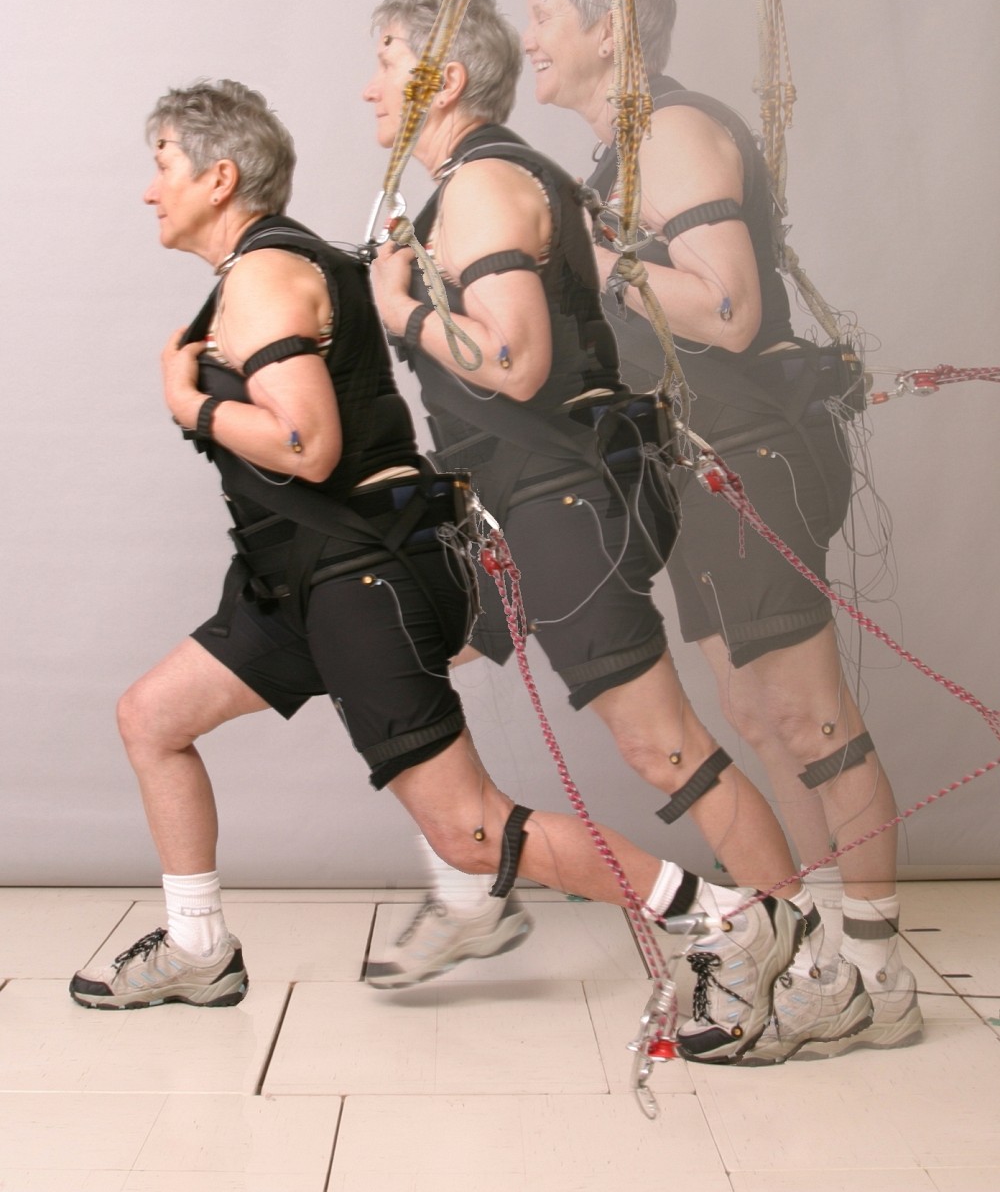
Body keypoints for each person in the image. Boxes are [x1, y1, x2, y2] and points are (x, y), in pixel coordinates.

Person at [68, 79, 801, 1067]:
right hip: (297, 577)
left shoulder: (265, 278)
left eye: (161, 164)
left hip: (354, 576)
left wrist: (188, 401)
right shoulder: (294, 261)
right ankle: (200, 949)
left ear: (220, 176)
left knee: (471, 831)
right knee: (152, 717)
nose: (148, 190)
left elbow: (307, 442)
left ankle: (732, 918)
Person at [365, 0, 873, 1063]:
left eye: (387, 61)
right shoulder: (488, 183)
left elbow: (515, 361)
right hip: (524, 505)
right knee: (391, 645)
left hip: (561, 506)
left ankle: (804, 962)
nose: (369, 87)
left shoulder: (484, 184)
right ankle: (471, 878)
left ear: (443, 81)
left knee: (669, 748)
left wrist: (398, 310)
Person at [515, 0, 921, 1056]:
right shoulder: (617, 157)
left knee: (810, 718)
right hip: (691, 466)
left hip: (745, 457)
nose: (527, 34)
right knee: (756, 716)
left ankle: (879, 979)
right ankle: (824, 959)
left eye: (544, 8)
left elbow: (730, 309)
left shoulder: (674, 131)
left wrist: (588, 257)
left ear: (610, 28)